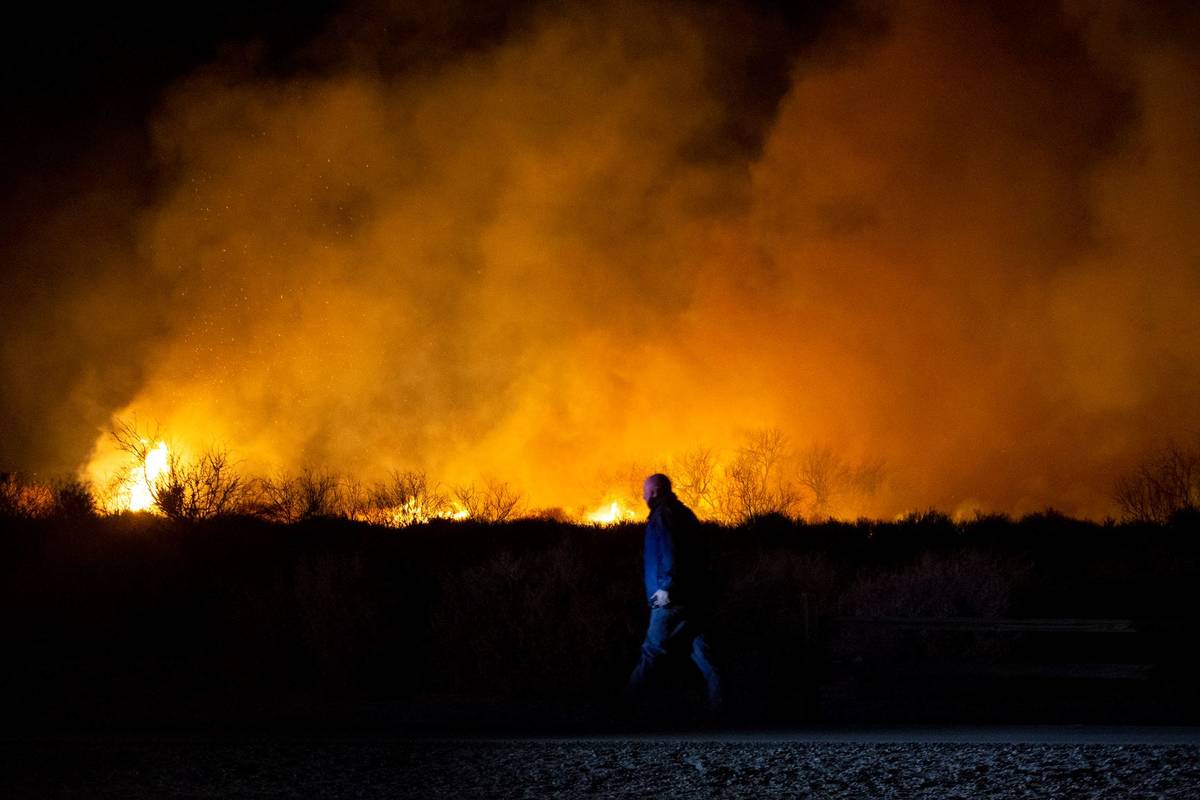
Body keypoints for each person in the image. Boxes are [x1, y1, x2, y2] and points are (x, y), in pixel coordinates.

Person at [625, 473, 724, 715]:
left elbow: (670, 552)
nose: (643, 496)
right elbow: (700, 554)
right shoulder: (685, 513)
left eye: (645, 492)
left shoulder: (663, 515)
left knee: (651, 651)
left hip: (671, 600)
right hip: (693, 597)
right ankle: (721, 707)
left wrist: (667, 587)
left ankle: (623, 709)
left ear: (655, 491)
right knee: (702, 651)